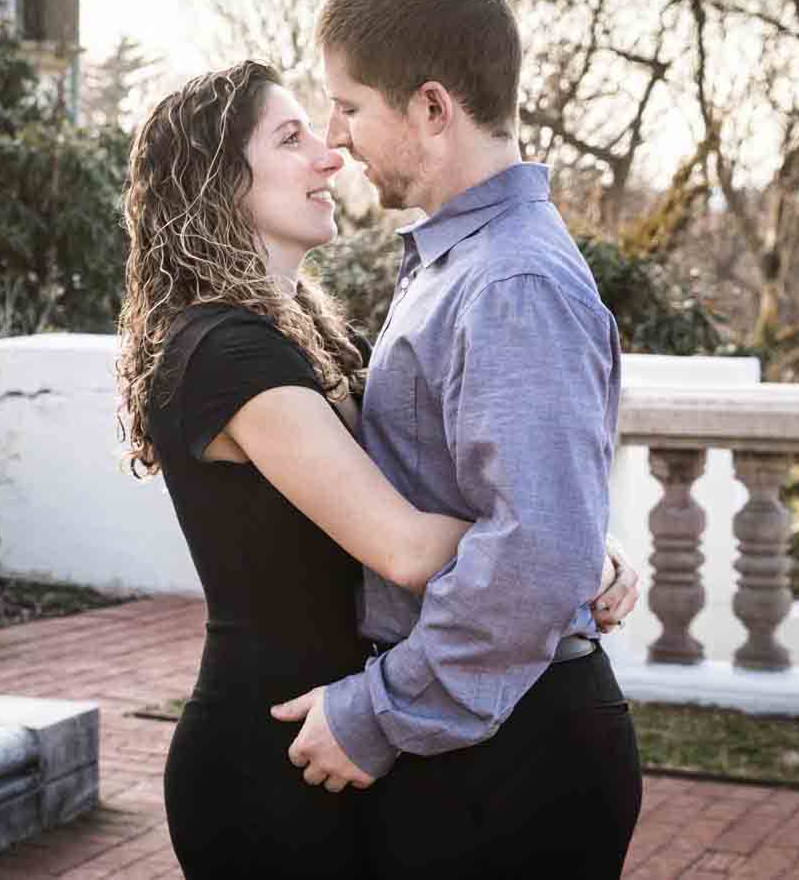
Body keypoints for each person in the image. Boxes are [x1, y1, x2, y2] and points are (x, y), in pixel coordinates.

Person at [116, 59, 637, 880]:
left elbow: (444, 491)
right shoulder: (225, 352)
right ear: (215, 182)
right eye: (291, 137)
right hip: (270, 754)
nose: (329, 152)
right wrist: (572, 547)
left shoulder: (312, 340)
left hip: (340, 744)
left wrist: (570, 536)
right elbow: (399, 542)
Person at [271, 0, 644, 878]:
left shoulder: (510, 280)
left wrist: (378, 712)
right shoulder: (462, 264)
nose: (336, 135)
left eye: (351, 105)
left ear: (433, 108)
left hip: (511, 762)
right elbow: (528, 514)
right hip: (485, 742)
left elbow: (537, 547)